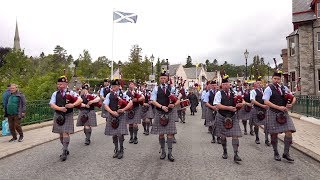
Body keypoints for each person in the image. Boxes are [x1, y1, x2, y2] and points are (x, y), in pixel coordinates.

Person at [263, 71, 296, 161]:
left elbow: (293, 97)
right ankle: (276, 152)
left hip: (283, 113)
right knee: (274, 134)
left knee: (289, 131)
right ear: (272, 79)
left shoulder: (284, 88)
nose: (277, 80)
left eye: (278, 79)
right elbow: (266, 101)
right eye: (275, 79)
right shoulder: (268, 89)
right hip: (273, 112)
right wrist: (278, 107)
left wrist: (291, 104)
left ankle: (286, 153)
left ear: (280, 79)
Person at [49, 76, 83, 161]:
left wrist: (73, 105)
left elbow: (80, 99)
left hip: (68, 115)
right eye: (59, 84)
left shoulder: (71, 93)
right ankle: (65, 147)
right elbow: (52, 104)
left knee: (65, 133)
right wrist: (59, 108)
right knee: (60, 134)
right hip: (58, 114)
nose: (61, 86)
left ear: (66, 84)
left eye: (63, 84)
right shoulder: (55, 93)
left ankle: (64, 151)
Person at [150, 71, 180, 162]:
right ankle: (163, 151)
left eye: (164, 78)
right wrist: (161, 107)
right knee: (161, 133)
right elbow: (153, 101)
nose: (163, 79)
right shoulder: (156, 89)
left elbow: (178, 100)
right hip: (160, 112)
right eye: (161, 78)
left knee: (170, 133)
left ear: (167, 79)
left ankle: (170, 153)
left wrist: (174, 105)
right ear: (159, 79)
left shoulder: (173, 88)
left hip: (170, 112)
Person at [214, 75, 243, 162]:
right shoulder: (219, 93)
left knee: (235, 135)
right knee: (223, 136)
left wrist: (241, 104)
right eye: (224, 84)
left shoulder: (235, 93)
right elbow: (217, 105)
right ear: (222, 85)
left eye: (227, 84)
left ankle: (236, 154)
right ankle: (225, 151)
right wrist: (228, 108)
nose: (226, 86)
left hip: (233, 116)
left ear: (230, 85)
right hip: (222, 116)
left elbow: (242, 101)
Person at [104, 79, 132, 159]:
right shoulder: (109, 95)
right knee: (114, 134)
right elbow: (105, 105)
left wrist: (123, 109)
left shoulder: (123, 95)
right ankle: (116, 149)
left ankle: (121, 149)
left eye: (115, 86)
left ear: (119, 86)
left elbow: (130, 103)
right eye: (112, 86)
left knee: (120, 134)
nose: (113, 87)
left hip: (121, 115)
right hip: (112, 116)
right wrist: (112, 112)